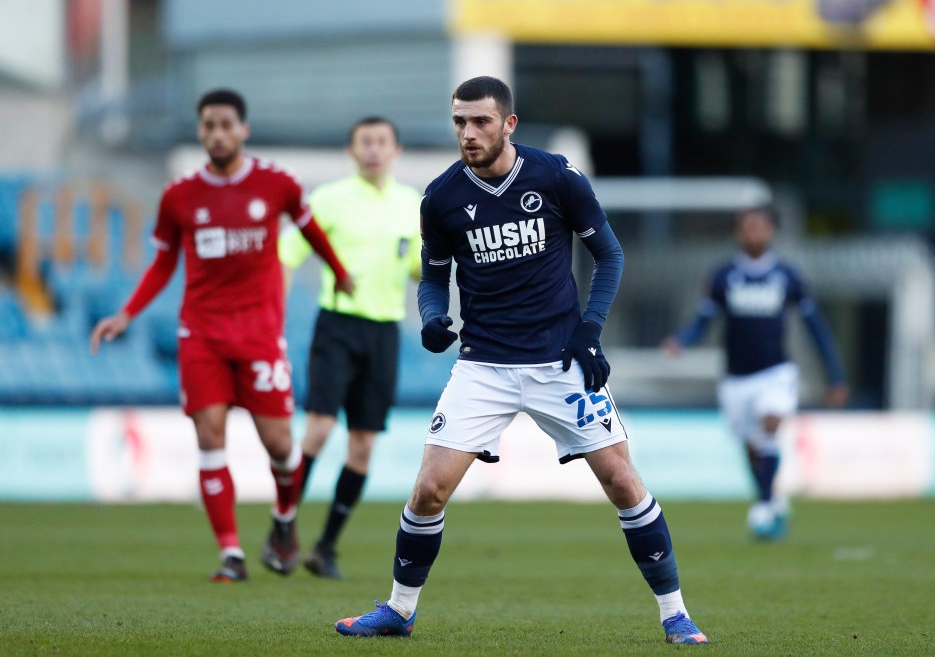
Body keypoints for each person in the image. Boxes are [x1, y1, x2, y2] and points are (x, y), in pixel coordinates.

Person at [334, 76, 708, 645]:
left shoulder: (554, 176)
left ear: (509, 123)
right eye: (459, 121)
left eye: (480, 121)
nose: (468, 133)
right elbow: (434, 281)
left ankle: (675, 614)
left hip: (561, 361)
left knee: (623, 482)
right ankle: (399, 610)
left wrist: (589, 331)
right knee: (430, 489)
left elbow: (608, 255)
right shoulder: (440, 198)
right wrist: (433, 317)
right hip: (483, 367)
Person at [90, 89, 355, 582]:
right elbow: (164, 260)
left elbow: (311, 229)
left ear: (243, 130)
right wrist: (127, 313)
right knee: (210, 438)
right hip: (203, 334)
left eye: (225, 125)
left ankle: (283, 521)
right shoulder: (180, 196)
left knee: (280, 446)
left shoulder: (277, 185)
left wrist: (337, 271)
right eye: (208, 125)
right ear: (200, 131)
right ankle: (231, 555)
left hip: (258, 333)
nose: (217, 133)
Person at [278, 116, 421, 579]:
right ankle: (283, 530)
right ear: (351, 150)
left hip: (384, 331)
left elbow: (422, 267)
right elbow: (286, 255)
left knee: (363, 445)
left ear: (396, 150)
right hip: (337, 326)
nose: (374, 150)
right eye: (366, 142)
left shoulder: (412, 205)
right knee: (317, 430)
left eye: (382, 142)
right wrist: (272, 318)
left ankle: (325, 548)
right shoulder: (329, 199)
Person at [663, 205, 848, 539]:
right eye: (746, 227)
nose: (752, 233)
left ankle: (763, 505)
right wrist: (682, 341)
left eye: (758, 227)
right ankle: (772, 495)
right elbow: (704, 320)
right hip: (736, 377)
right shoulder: (724, 276)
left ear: (772, 232)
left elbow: (816, 328)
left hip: (775, 371)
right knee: (751, 446)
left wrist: (835, 376)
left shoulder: (787, 276)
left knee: (770, 425)